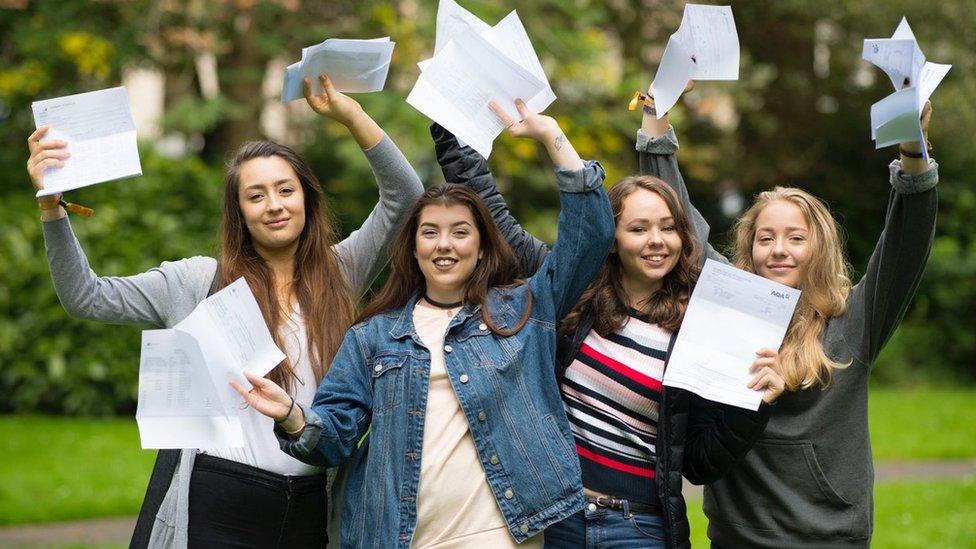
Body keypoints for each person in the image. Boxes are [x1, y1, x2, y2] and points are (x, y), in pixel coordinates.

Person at [27, 74, 424, 548]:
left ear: (307, 199)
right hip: (219, 502)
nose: (273, 206)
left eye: (285, 190)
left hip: (313, 506)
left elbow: (406, 195)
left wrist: (348, 114)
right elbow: (86, 296)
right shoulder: (198, 282)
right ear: (239, 212)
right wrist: (52, 205)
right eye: (255, 196)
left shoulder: (342, 270)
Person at [233, 101, 615, 548]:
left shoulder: (524, 309)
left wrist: (551, 135)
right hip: (400, 538)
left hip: (501, 534)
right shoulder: (373, 336)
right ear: (413, 248)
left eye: (460, 232)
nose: (444, 245)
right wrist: (293, 416)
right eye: (430, 232)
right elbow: (333, 439)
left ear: (481, 246)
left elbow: (591, 234)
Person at [429, 113, 786, 547]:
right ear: (611, 237)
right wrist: (450, 116)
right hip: (557, 517)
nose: (657, 240)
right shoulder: (570, 288)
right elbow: (493, 215)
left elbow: (698, 463)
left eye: (668, 227)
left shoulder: (701, 323)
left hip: (638, 528)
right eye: (638, 228)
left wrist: (753, 406)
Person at [635, 82, 939, 548]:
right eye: (765, 238)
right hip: (737, 536)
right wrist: (655, 123)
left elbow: (906, 243)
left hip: (830, 535)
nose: (779, 250)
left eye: (795, 238)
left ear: (819, 246)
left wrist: (913, 156)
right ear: (749, 248)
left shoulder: (854, 317)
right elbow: (683, 226)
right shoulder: (727, 303)